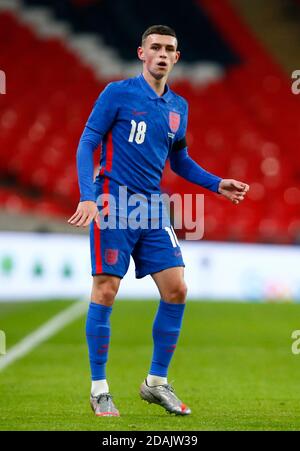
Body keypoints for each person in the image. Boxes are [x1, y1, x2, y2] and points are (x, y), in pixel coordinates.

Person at [68, 24, 249, 417]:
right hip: (112, 199)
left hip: (152, 206)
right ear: (141, 53)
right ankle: (100, 389)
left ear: (177, 57)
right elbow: (88, 142)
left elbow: (180, 160)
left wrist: (217, 183)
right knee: (105, 290)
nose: (163, 54)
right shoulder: (117, 93)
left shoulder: (178, 108)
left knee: (177, 289)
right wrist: (87, 195)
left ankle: (156, 383)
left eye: (169, 48)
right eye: (156, 47)